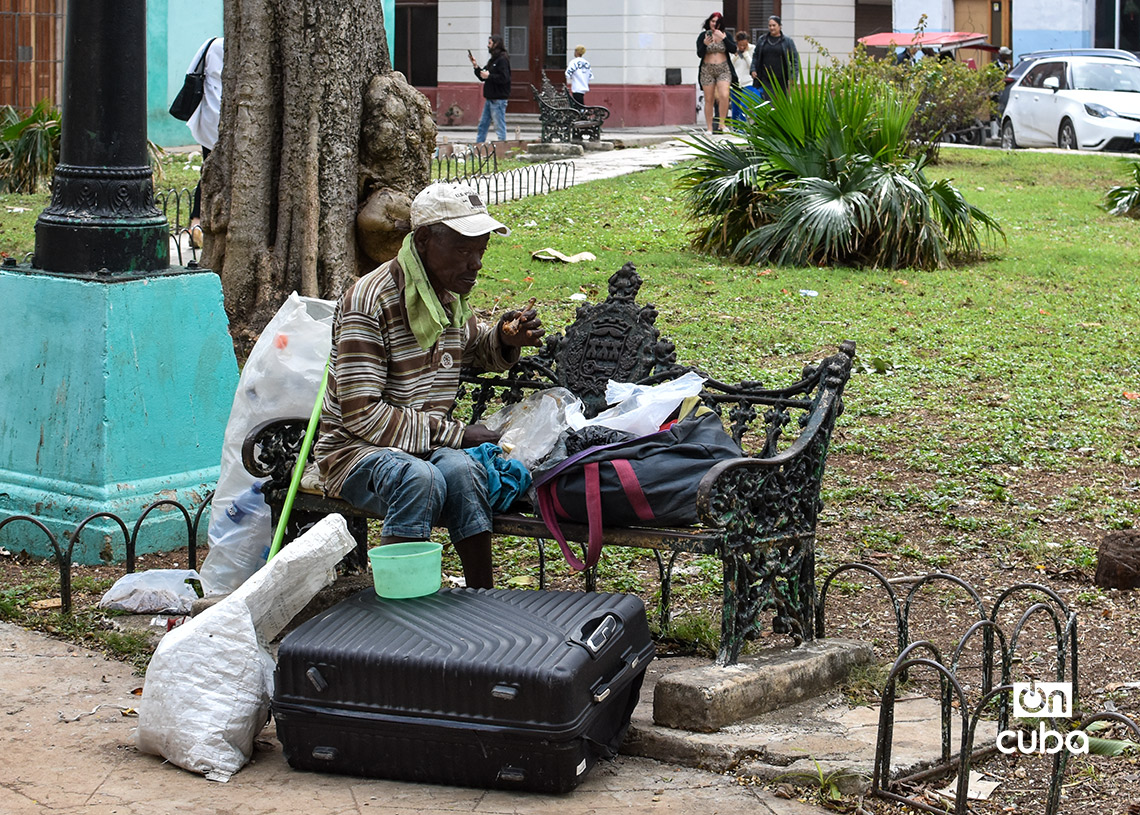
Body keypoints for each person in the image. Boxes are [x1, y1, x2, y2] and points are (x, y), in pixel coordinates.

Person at [315, 183, 543, 590]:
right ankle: (403, 611)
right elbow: (361, 414)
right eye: (461, 250)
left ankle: (481, 596)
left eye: (481, 251)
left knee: (463, 468)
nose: (474, 264)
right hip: (353, 453)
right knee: (420, 479)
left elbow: (475, 348)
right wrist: (458, 433)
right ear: (422, 241)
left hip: (421, 447)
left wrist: (506, 341)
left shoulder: (447, 297)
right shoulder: (371, 302)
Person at [185, 37, 223, 248]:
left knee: (208, 170)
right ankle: (201, 225)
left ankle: (196, 224)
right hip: (226, 120)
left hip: (209, 118)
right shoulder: (225, 46)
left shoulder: (210, 44)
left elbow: (192, 72)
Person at [696, 11, 736, 134]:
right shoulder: (703, 36)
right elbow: (699, 54)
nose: (714, 24)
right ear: (709, 22)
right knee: (709, 99)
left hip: (723, 68)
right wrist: (704, 45)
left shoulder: (726, 35)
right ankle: (709, 127)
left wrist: (723, 38)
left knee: (724, 95)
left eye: (717, 22)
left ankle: (722, 124)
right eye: (713, 21)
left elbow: (733, 49)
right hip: (707, 69)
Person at [469, 35, 511, 143]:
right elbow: (483, 76)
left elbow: (504, 78)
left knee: (499, 125)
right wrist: (476, 67)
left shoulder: (502, 59)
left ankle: (502, 146)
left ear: (496, 44)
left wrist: (489, 76)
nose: (488, 46)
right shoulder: (493, 59)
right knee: (483, 124)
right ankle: (478, 146)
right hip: (490, 98)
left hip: (498, 99)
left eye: (490, 43)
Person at [750, 15, 799, 98]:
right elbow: (756, 56)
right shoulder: (762, 40)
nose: (772, 28)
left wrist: (793, 76)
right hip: (766, 77)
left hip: (782, 78)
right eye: (770, 26)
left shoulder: (787, 41)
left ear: (780, 26)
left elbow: (794, 60)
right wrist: (753, 69)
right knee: (768, 102)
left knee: (782, 102)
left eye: (774, 25)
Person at [729, 32, 755, 119]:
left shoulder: (753, 49)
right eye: (740, 45)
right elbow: (729, 65)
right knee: (735, 108)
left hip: (748, 82)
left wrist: (746, 54)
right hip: (736, 83)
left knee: (744, 105)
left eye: (744, 45)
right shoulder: (733, 50)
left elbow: (752, 65)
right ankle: (736, 129)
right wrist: (735, 56)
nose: (742, 47)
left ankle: (743, 128)